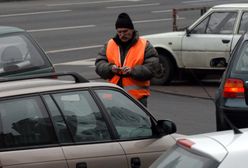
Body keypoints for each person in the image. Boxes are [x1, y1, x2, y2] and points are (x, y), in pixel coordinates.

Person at [95, 12, 161, 107]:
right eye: (119, 32)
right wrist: (110, 68)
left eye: (125, 31)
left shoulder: (145, 45)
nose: (122, 35)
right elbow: (99, 65)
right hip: (113, 97)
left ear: (132, 30)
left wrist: (132, 71)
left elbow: (153, 68)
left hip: (136, 99)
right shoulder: (109, 44)